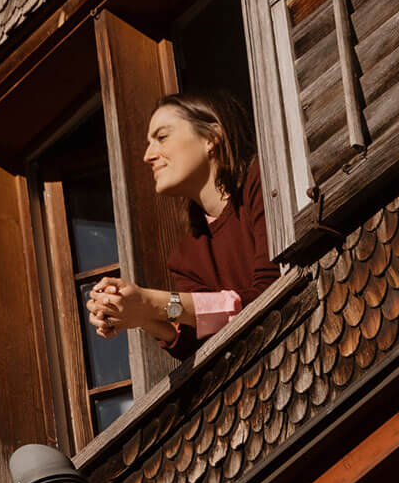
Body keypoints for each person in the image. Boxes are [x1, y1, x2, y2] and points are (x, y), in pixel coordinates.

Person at [86, 93, 274, 353]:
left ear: (211, 138)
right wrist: (140, 316)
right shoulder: (187, 255)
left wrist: (149, 301)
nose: (147, 156)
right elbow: (194, 335)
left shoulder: (264, 182)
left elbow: (268, 292)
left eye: (161, 138)